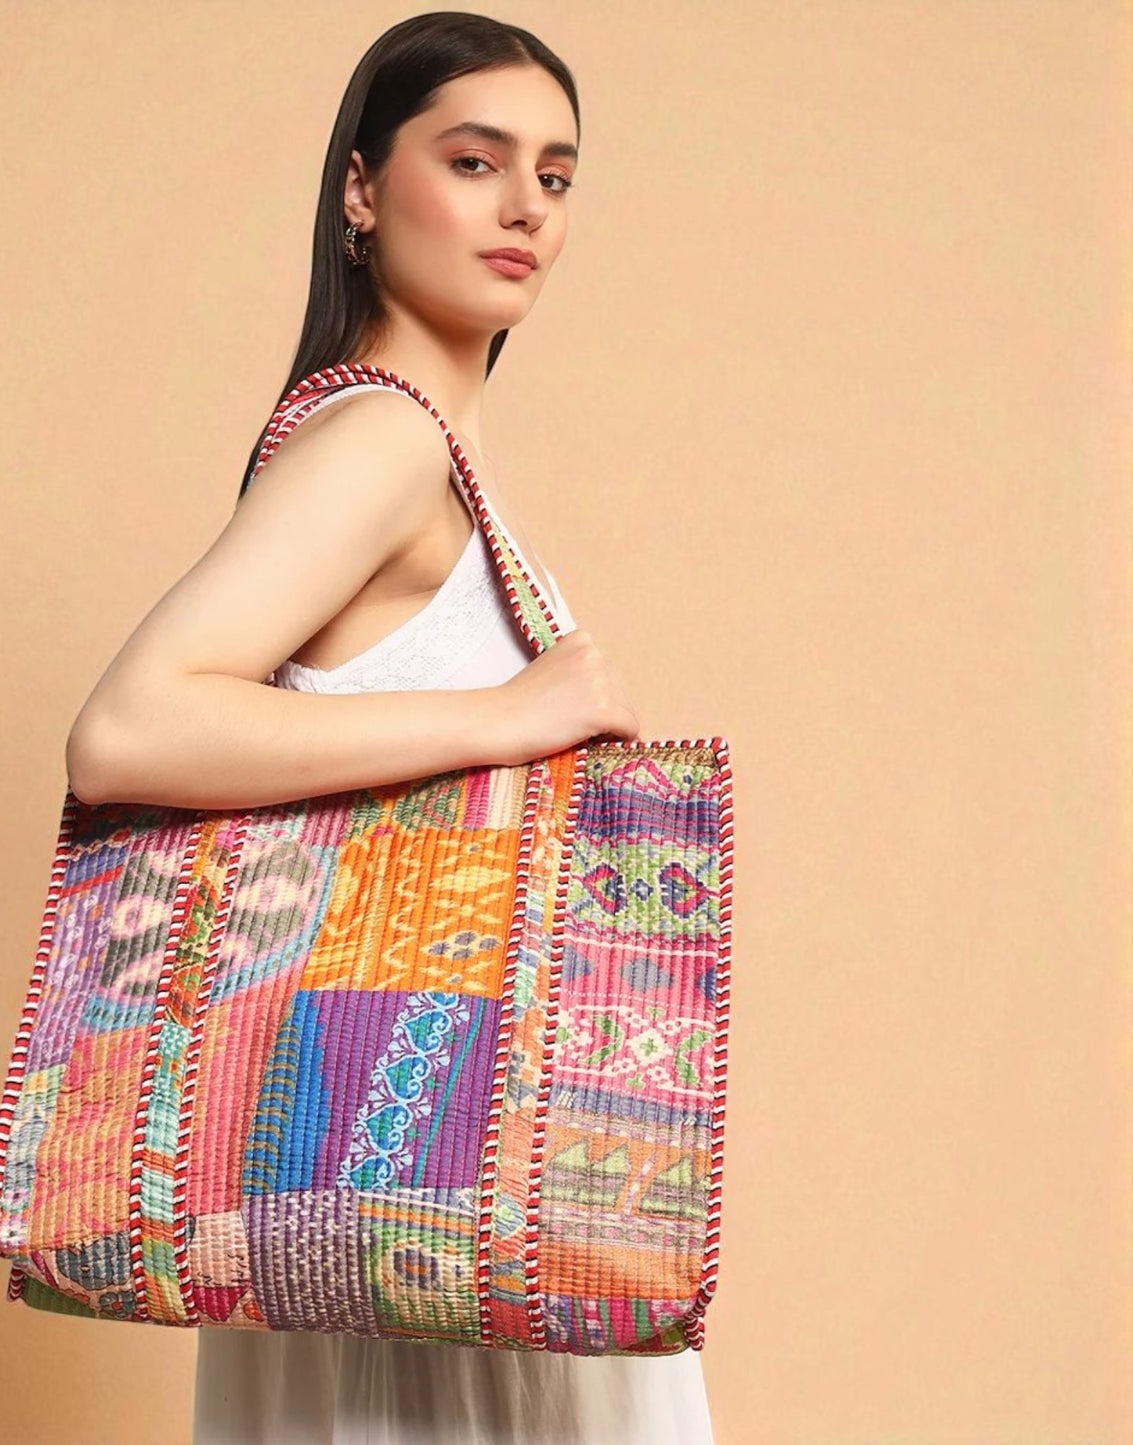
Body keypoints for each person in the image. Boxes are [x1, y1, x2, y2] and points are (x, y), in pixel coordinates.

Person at [64, 12, 716, 1442]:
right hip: (432, 1177)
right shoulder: (385, 437)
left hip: (410, 1157)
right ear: (360, 190)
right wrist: (510, 714)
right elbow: (127, 732)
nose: (523, 206)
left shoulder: (413, 441)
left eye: (554, 174)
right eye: (473, 160)